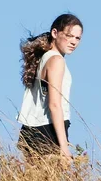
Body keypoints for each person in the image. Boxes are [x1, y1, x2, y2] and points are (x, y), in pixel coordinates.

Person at [17, 15, 83, 161]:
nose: (73, 42)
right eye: (69, 35)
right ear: (55, 33)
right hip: (48, 130)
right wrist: (64, 147)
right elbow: (54, 104)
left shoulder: (43, 58)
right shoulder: (56, 61)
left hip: (31, 130)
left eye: (77, 38)